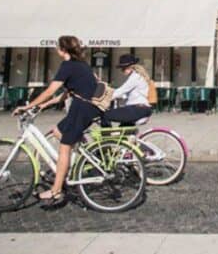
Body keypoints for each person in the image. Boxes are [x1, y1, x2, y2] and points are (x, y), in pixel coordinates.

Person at [13, 35, 99, 205]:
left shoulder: (67, 66)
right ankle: (73, 162)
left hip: (81, 109)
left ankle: (56, 190)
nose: (56, 49)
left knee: (64, 148)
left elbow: (49, 91)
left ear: (63, 49)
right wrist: (44, 106)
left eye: (58, 46)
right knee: (57, 131)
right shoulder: (80, 65)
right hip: (84, 107)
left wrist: (27, 106)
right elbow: (66, 94)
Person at [102, 54, 152, 127]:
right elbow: (124, 94)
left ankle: (106, 137)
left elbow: (121, 91)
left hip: (137, 109)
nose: (122, 71)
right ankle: (112, 138)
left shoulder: (135, 77)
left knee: (105, 115)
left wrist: (103, 98)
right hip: (139, 109)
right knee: (121, 133)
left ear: (130, 68)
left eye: (123, 68)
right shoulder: (136, 76)